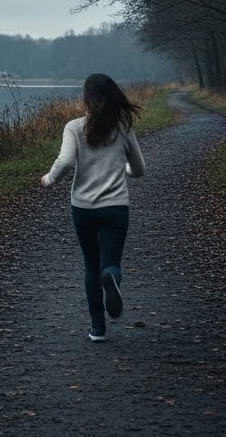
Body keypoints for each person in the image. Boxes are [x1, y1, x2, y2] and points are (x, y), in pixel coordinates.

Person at [40, 73, 146, 342]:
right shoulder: (123, 127)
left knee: (90, 264)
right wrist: (124, 169)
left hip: (83, 208)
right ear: (113, 97)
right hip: (115, 208)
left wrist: (49, 178)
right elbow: (140, 169)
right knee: (109, 263)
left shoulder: (74, 127)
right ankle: (111, 277)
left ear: (86, 98)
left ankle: (98, 328)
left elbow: (64, 162)